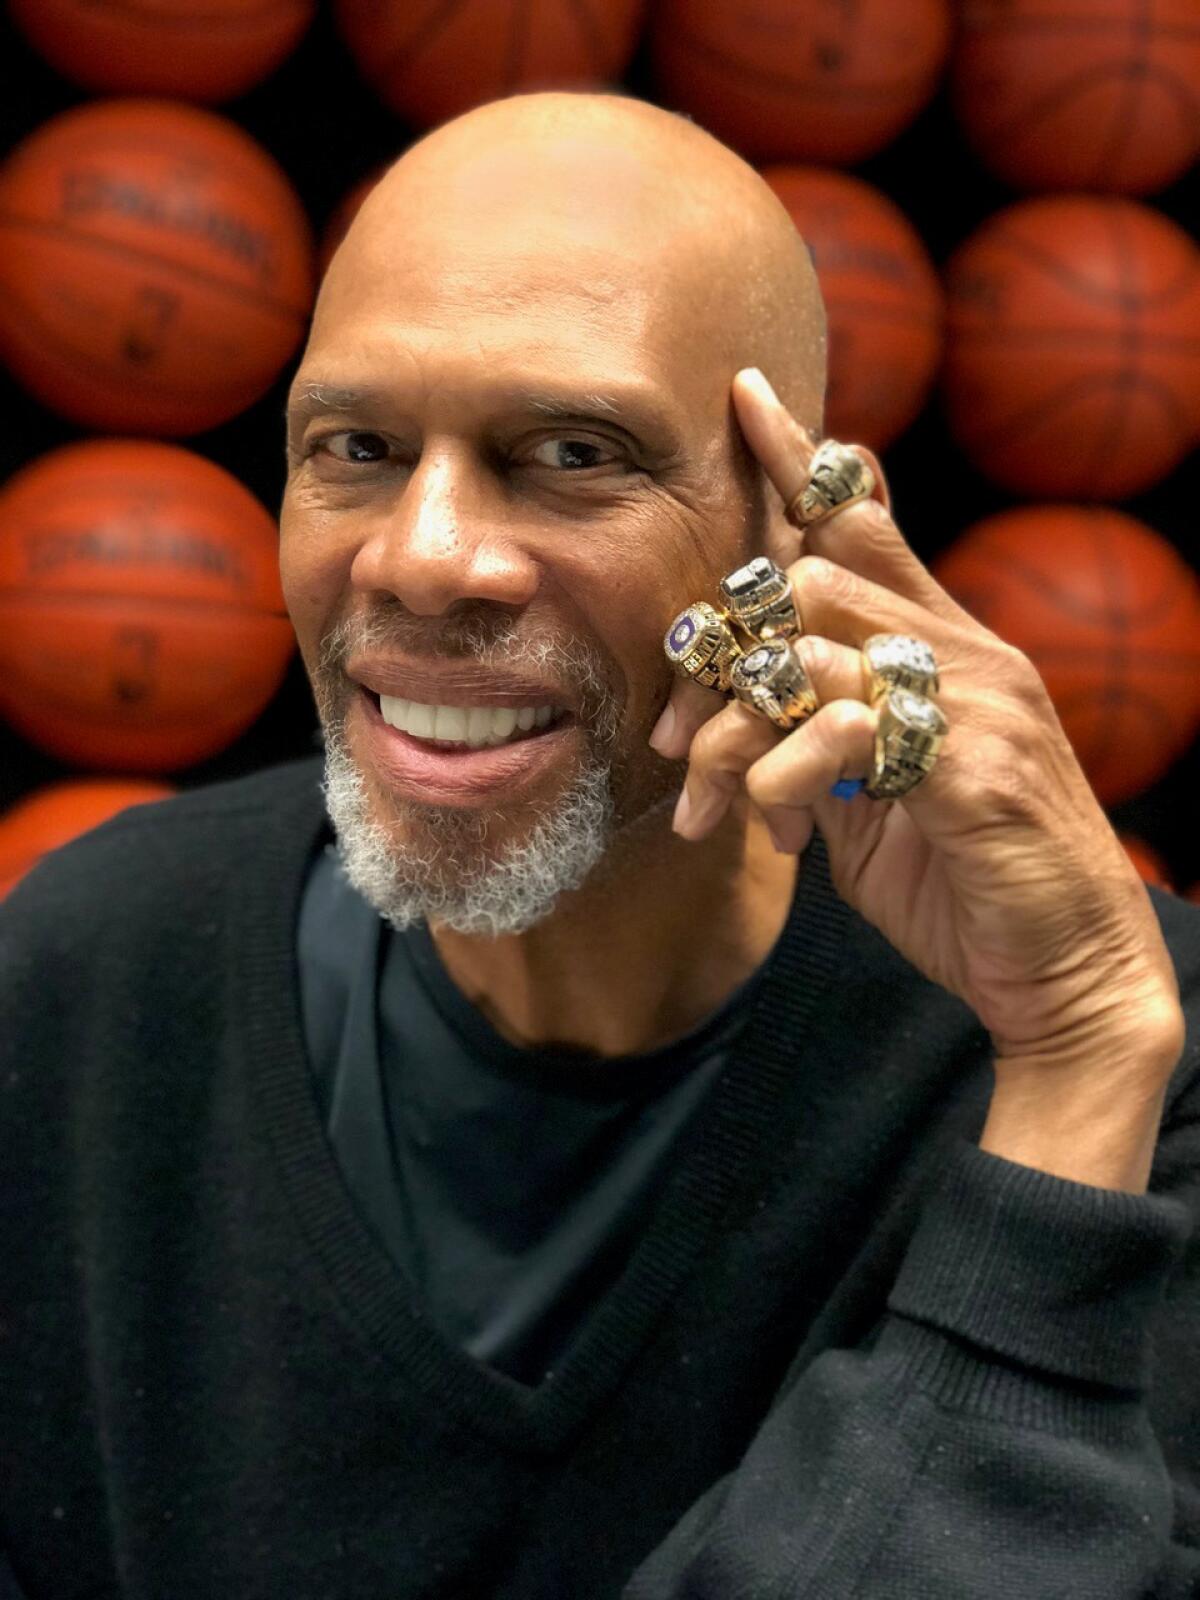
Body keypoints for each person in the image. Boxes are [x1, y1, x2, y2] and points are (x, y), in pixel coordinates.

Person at [1, 92, 1198, 1600]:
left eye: (571, 450)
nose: (423, 557)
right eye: (356, 444)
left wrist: (1082, 1064)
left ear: (796, 526)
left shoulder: (1127, 1045)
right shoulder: (91, 970)